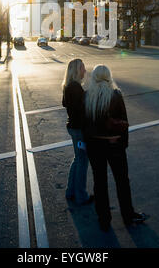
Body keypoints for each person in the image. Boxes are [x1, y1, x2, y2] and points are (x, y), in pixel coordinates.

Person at [82, 64, 148, 231]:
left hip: (95, 146)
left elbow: (85, 125)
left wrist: (89, 143)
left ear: (94, 77)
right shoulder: (115, 95)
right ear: (108, 76)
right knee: (122, 180)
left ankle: (104, 218)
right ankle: (128, 215)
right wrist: (123, 144)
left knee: (100, 182)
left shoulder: (87, 96)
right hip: (114, 145)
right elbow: (124, 122)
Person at [62, 58, 93, 206]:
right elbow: (81, 111)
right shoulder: (75, 88)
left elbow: (66, 103)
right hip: (79, 129)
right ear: (76, 70)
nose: (85, 71)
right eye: (82, 68)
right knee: (82, 162)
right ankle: (81, 195)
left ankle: (71, 191)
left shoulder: (69, 86)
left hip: (73, 127)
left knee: (77, 159)